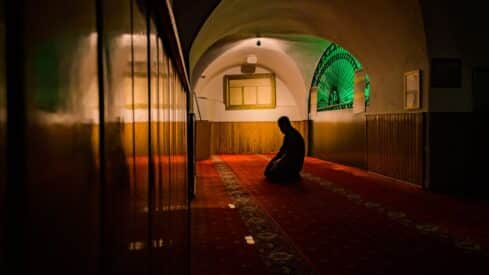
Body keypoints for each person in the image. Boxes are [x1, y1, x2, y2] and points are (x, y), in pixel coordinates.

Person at [264, 116, 305, 183]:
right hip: (291, 162)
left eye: (280, 127)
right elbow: (282, 151)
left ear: (284, 125)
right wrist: (274, 161)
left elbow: (291, 155)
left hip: (293, 164)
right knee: (268, 171)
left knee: (270, 174)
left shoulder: (292, 136)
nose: (280, 130)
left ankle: (291, 175)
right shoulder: (289, 134)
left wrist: (278, 162)